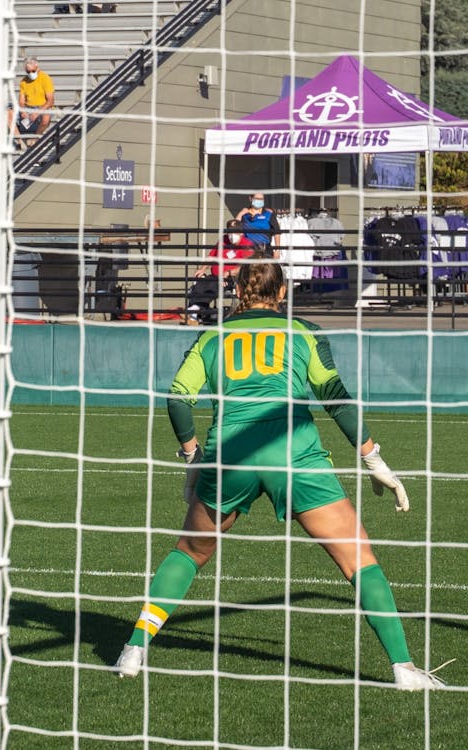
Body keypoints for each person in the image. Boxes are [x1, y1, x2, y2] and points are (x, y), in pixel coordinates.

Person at [113, 261, 445, 691]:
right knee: (360, 561)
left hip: (230, 455)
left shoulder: (213, 335)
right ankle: (404, 670)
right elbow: (336, 399)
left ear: (236, 291)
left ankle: (134, 650)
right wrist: (373, 460)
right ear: (283, 292)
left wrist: (194, 456)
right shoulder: (302, 332)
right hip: (296, 455)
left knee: (189, 554)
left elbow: (177, 400)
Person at [184, 219, 254, 325]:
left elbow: (246, 266)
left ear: (241, 233)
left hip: (233, 277)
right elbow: (212, 255)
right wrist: (202, 268)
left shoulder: (247, 244)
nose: (232, 235)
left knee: (214, 285)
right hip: (216, 274)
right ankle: (196, 309)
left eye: (235, 232)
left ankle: (194, 311)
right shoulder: (223, 240)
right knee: (201, 281)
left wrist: (228, 273)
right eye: (230, 232)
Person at [10, 56, 55, 147]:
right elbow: (21, 101)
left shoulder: (45, 78)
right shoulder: (24, 81)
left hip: (42, 107)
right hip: (28, 107)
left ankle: (36, 138)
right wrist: (22, 110)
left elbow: (50, 101)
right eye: (28, 72)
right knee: (8, 113)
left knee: (46, 116)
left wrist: (37, 112)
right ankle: (20, 141)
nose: (30, 73)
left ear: (37, 66)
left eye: (33, 71)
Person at [235, 192, 281, 257]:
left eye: (261, 199)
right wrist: (241, 213)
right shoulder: (244, 214)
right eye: (257, 198)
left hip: (265, 250)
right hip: (248, 250)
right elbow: (234, 226)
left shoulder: (268, 213)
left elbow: (277, 232)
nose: (259, 201)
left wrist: (277, 250)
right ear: (250, 199)